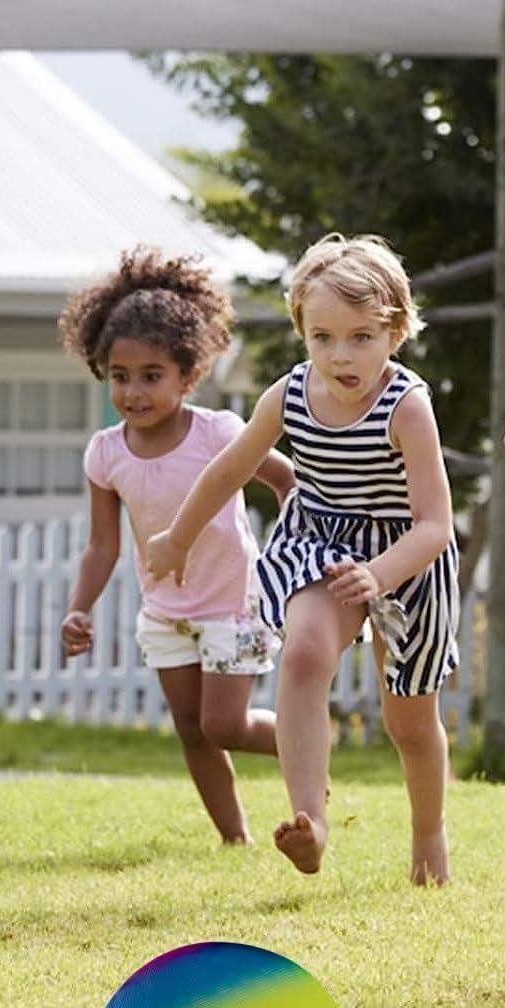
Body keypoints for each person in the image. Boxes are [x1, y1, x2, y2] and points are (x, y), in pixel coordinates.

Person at [146, 234, 458, 884]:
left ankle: (428, 837)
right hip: (322, 540)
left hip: (406, 556)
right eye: (322, 338)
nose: (340, 356)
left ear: (396, 331)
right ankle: (309, 822)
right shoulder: (289, 395)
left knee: (410, 723)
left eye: (361, 337)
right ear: (302, 333)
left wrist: (381, 574)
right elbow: (228, 468)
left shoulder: (407, 405)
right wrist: (178, 536)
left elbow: (435, 524)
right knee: (306, 654)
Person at [58, 247, 291, 845]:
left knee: (225, 724)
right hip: (164, 610)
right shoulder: (106, 453)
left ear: (189, 376)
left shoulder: (219, 433)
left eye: (151, 376)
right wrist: (79, 607)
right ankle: (233, 840)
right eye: (119, 376)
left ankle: (307, 742)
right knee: (192, 729)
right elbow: (102, 546)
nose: (133, 391)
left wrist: (305, 541)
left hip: (232, 603)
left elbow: (285, 479)